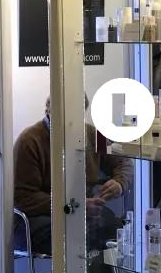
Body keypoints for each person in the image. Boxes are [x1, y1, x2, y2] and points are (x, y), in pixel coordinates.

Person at [13, 95, 132, 255]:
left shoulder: (92, 133)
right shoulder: (29, 141)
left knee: (116, 230)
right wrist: (75, 206)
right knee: (78, 235)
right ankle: (89, 270)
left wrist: (119, 183)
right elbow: (23, 197)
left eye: (77, 115)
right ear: (49, 111)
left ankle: (103, 271)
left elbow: (123, 161)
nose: (71, 122)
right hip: (41, 216)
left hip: (84, 211)